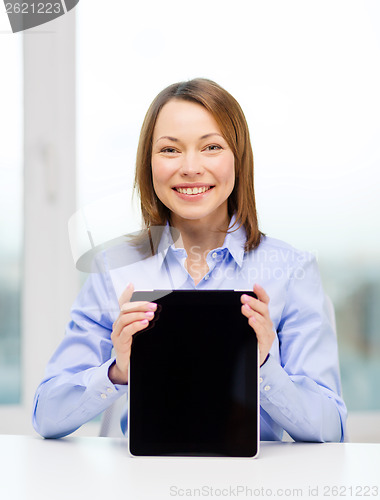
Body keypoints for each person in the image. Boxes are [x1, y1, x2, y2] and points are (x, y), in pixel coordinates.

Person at [32, 78, 347, 441]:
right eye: (170, 150)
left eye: (211, 146)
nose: (190, 167)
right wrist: (118, 371)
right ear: (148, 163)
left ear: (238, 158)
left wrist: (262, 366)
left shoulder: (290, 271)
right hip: (140, 484)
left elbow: (332, 429)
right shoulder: (115, 268)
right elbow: (47, 415)